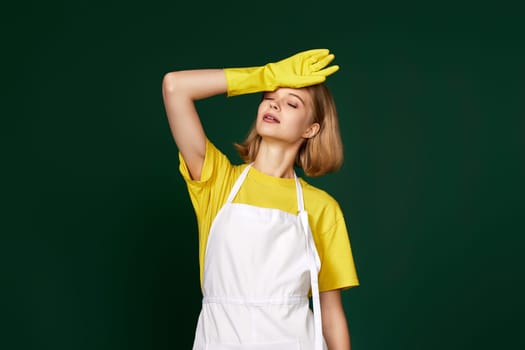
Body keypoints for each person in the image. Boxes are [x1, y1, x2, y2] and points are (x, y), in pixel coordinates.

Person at [162, 49, 359, 350]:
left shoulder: (322, 208)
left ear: (311, 129)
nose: (275, 105)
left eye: (292, 103)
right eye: (269, 97)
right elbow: (175, 87)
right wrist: (266, 75)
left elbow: (331, 315)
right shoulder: (217, 181)